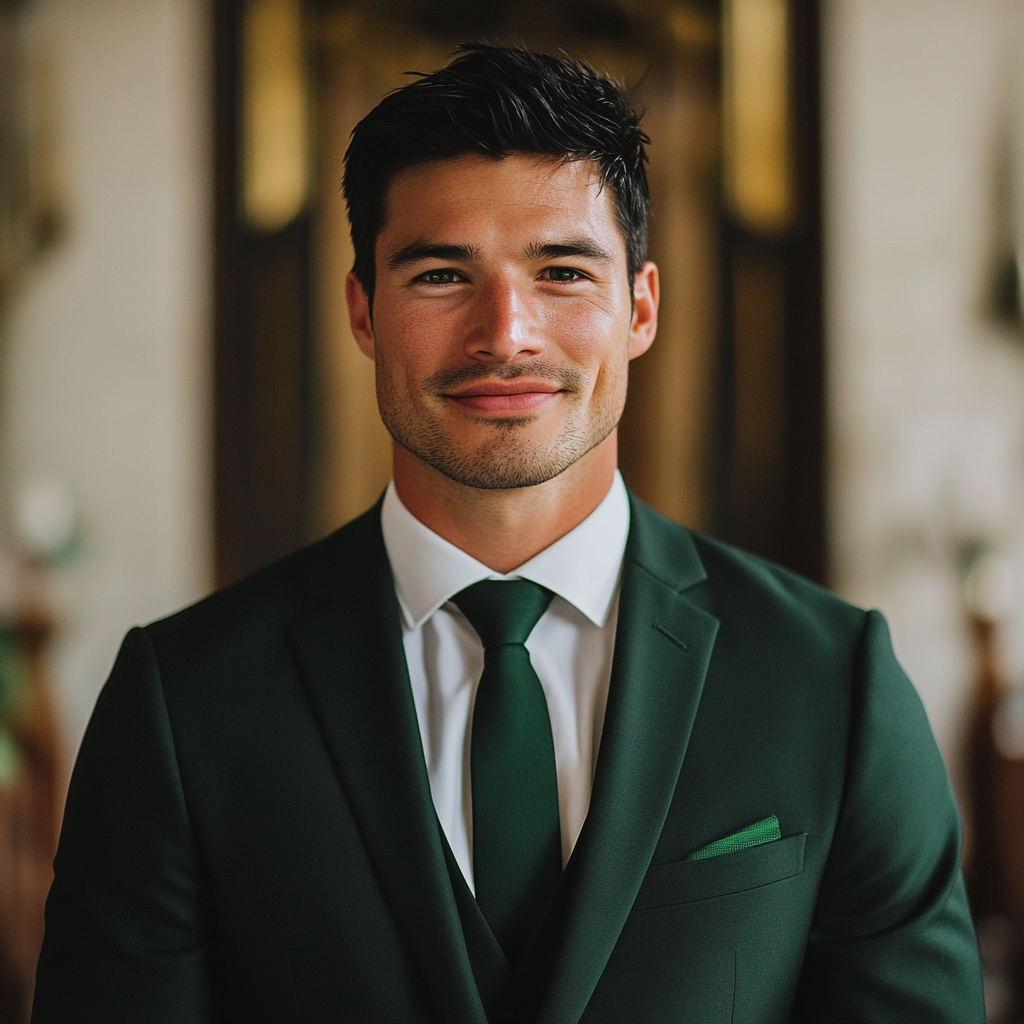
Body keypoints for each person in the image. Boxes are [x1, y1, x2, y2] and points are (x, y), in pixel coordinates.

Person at [33, 44, 983, 1023]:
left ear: (640, 309)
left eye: (563, 271)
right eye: (443, 274)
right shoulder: (181, 703)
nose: (507, 332)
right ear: (363, 311)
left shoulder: (834, 680)